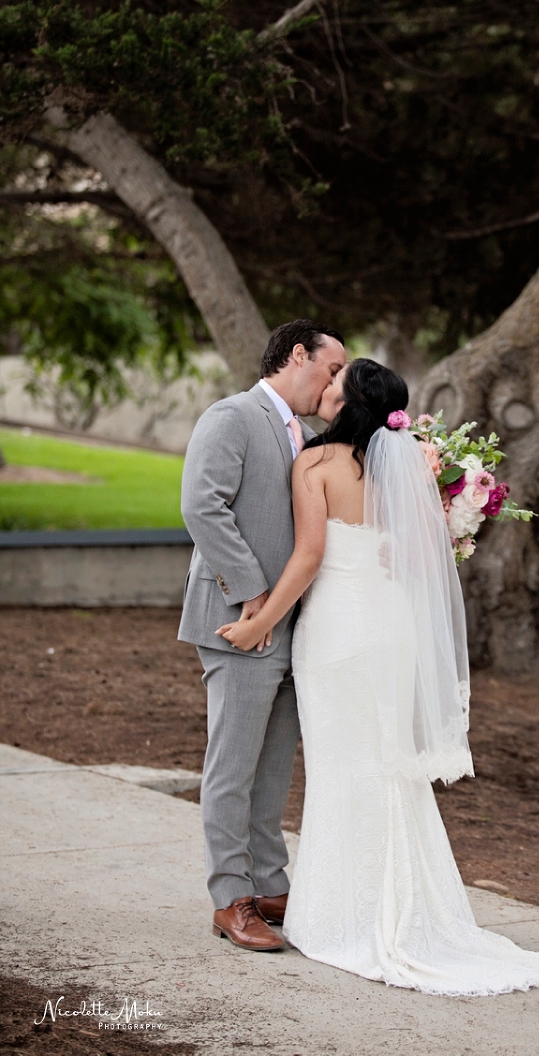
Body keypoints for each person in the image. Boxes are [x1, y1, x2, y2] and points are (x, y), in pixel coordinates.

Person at [217, 358, 539, 995]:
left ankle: (348, 918)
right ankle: (405, 910)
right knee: (384, 767)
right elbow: (411, 556)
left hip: (338, 634)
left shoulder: (317, 466)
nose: (325, 388)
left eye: (335, 384)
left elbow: (309, 557)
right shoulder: (407, 468)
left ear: (350, 404)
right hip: (392, 629)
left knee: (342, 768)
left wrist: (257, 621)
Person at [179, 319, 346, 952]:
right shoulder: (231, 416)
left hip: (290, 628)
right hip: (238, 621)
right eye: (331, 370)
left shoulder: (306, 436)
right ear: (297, 355)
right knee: (232, 766)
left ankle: (270, 882)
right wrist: (253, 593)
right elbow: (202, 505)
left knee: (273, 767)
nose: (335, 386)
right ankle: (231, 898)